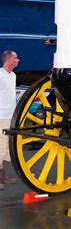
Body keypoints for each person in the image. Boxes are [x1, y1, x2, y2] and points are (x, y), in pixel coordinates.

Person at [0, 50, 20, 190]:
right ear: (8, 60)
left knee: (6, 147)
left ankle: (2, 174)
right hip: (1, 116)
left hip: (10, 116)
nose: (18, 60)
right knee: (1, 146)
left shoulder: (13, 75)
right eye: (16, 58)